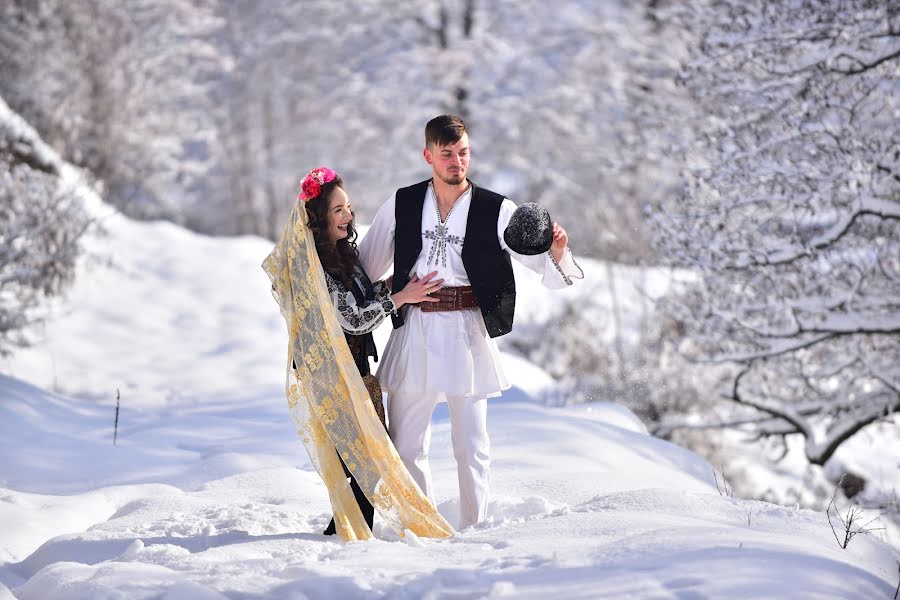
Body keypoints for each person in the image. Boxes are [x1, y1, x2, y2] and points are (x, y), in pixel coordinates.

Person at [358, 115, 584, 529]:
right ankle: (419, 526)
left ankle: (474, 527)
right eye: (447, 154)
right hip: (416, 330)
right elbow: (367, 268)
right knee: (407, 444)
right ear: (428, 155)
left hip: (467, 331)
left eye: (463, 153)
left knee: (472, 445)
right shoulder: (402, 204)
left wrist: (556, 251)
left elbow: (547, 273)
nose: (456, 162)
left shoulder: (497, 209)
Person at [262, 167, 454, 542]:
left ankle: (347, 531)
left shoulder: (343, 255)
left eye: (348, 207)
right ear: (318, 220)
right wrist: (400, 297)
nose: (349, 216)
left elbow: (363, 300)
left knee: (365, 457)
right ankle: (348, 534)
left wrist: (398, 284)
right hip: (334, 374)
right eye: (338, 210)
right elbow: (352, 320)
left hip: (355, 369)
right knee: (362, 457)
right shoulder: (318, 267)